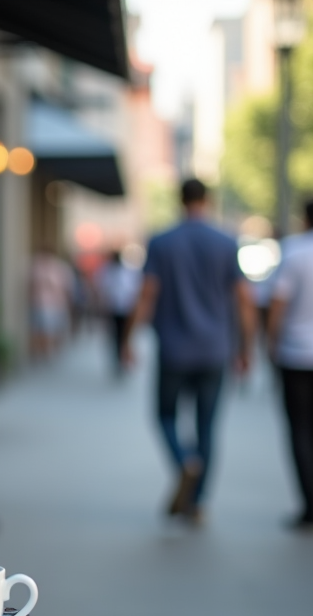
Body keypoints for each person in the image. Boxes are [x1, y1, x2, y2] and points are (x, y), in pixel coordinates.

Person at [122, 178, 256, 524]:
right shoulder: (226, 242)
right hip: (215, 349)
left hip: (174, 348)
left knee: (165, 415)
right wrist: (246, 348)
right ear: (207, 201)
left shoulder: (162, 242)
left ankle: (184, 462)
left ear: (180, 201)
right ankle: (197, 503)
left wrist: (128, 339)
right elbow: (243, 300)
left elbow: (147, 292)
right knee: (207, 427)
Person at [268, 199, 313, 531]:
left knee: (300, 429)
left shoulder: (295, 252)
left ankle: (309, 503)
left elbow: (278, 304)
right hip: (296, 354)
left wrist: (270, 344)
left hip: (296, 355)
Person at [96, 249, 142, 377]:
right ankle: (118, 361)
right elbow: (102, 290)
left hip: (126, 309)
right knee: (115, 336)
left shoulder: (128, 271)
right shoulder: (107, 271)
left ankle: (124, 360)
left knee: (124, 335)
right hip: (113, 309)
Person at [28, 250, 74, 360]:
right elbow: (32, 285)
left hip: (56, 303)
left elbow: (66, 287)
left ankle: (50, 350)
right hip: (40, 303)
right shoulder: (37, 267)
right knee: (40, 328)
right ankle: (42, 351)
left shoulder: (60, 267)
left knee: (54, 328)